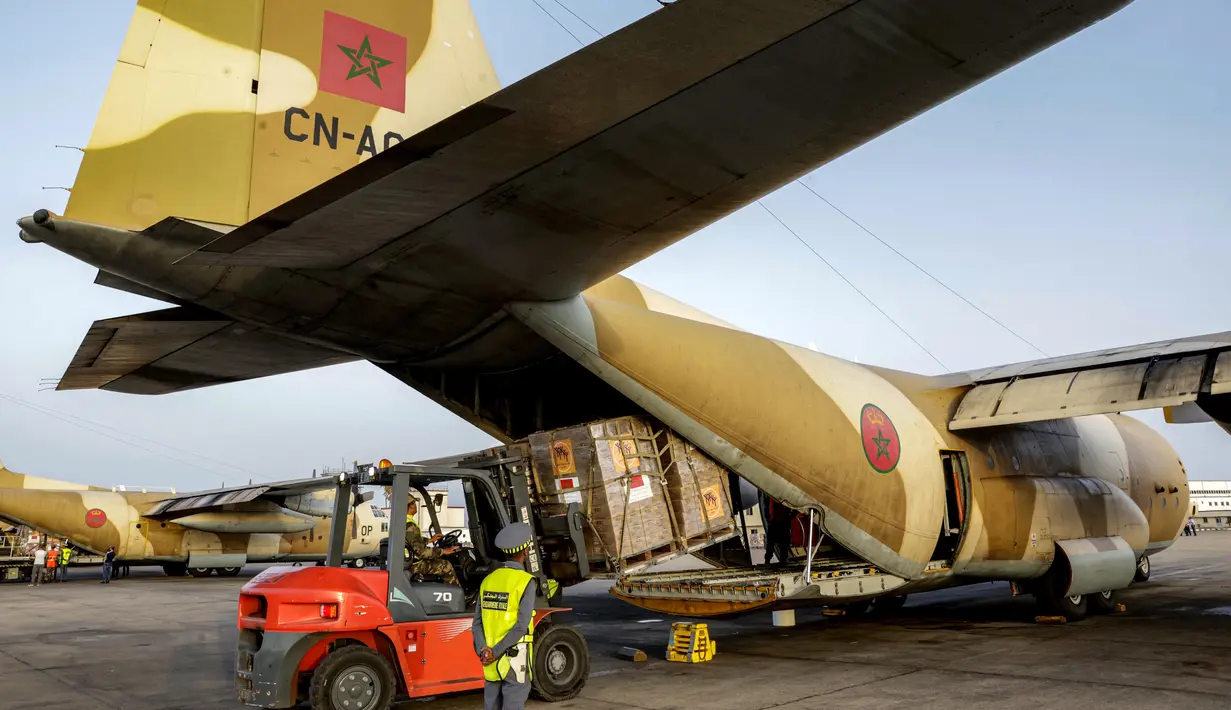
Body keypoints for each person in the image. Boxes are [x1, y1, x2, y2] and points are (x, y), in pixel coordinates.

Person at [473, 522, 538, 710]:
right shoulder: (526, 581)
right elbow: (521, 625)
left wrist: (484, 650)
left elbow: (477, 623)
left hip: (490, 660)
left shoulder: (488, 580)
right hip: (513, 659)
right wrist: (497, 651)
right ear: (525, 552)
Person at [405, 499, 460, 586]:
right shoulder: (410, 525)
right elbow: (422, 552)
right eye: (414, 503)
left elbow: (412, 540)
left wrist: (429, 540)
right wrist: (444, 551)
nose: (416, 505)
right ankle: (457, 594)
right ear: (411, 506)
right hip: (413, 565)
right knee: (446, 565)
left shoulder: (402, 521)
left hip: (407, 561)